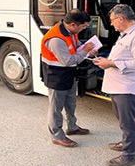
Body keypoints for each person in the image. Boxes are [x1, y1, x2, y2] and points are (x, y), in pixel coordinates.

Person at [93, 4, 135, 166]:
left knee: (128, 123)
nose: (111, 24)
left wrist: (110, 63)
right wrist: (105, 62)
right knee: (123, 121)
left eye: (112, 20)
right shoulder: (126, 34)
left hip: (128, 88)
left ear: (121, 19)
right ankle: (127, 143)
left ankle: (130, 155)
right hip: (118, 86)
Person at [41, 9, 98, 148]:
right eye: (83, 26)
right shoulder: (56, 39)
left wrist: (86, 49)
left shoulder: (69, 32)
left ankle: (72, 127)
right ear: (73, 24)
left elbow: (74, 47)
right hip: (57, 76)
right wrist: (85, 51)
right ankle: (57, 136)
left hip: (68, 74)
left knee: (71, 103)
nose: (84, 28)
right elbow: (69, 61)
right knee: (56, 108)